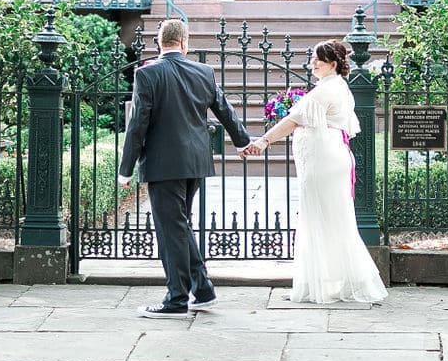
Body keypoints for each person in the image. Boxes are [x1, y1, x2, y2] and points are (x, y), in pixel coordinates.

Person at [118, 18, 250, 318]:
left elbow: (138, 124)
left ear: (158, 43)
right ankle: (202, 290)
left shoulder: (147, 74)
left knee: (171, 230)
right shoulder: (203, 71)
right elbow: (224, 110)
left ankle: (176, 299)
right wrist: (242, 142)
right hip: (196, 163)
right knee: (180, 226)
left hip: (164, 165)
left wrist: (125, 169)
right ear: (184, 42)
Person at [241, 39, 386, 305]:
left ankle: (317, 285)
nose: (312, 64)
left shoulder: (325, 91)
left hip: (323, 162)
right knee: (331, 220)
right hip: (330, 159)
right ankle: (328, 282)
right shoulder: (337, 87)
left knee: (317, 219)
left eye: (317, 60)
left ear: (332, 64)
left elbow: (293, 120)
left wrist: (263, 141)